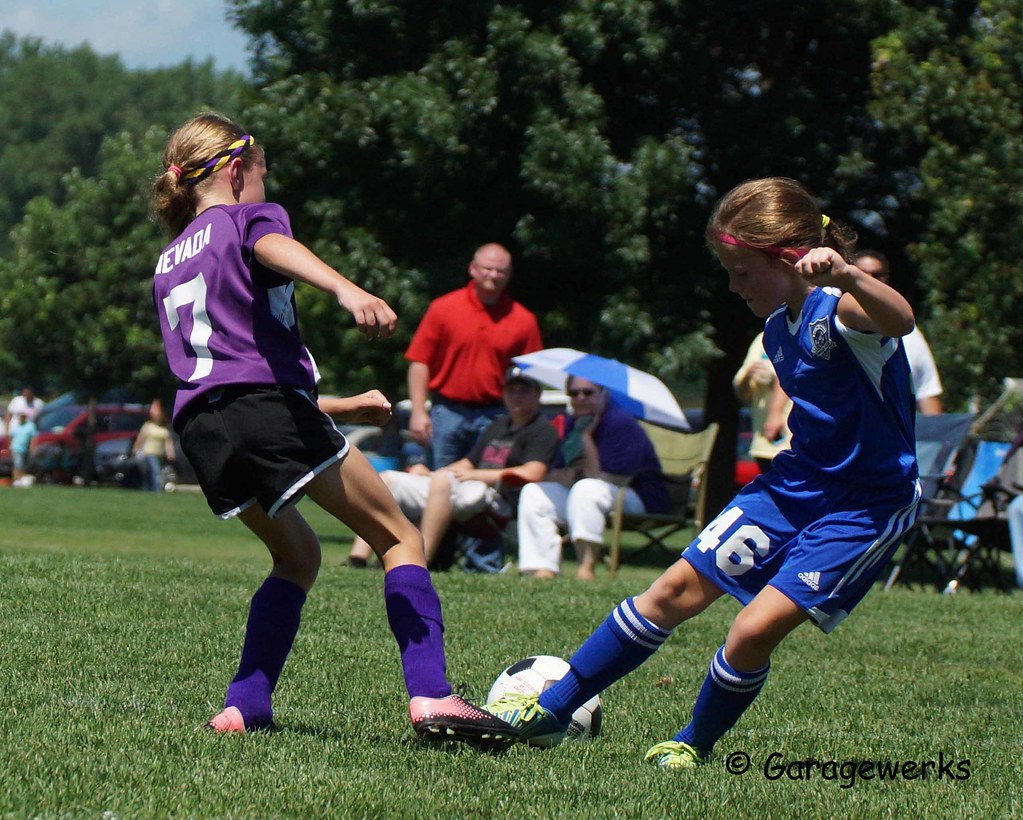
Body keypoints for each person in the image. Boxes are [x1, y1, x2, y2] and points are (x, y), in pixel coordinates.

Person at [486, 177, 921, 770]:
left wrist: (847, 275)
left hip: (865, 505)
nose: (734, 286)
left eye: (742, 273)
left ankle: (693, 742)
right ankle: (551, 707)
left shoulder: (841, 310)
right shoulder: (776, 331)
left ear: (788, 257)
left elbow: (900, 319)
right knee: (669, 591)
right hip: (793, 485)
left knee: (751, 631)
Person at [149, 112, 515, 747]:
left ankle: (245, 705)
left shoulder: (169, 259)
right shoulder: (245, 218)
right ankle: (433, 694)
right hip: (265, 410)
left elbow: (229, 373)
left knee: (298, 556)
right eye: (262, 174)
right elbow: (271, 246)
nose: (265, 187)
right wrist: (347, 290)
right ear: (236, 171)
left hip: (204, 430)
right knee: (401, 537)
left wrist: (338, 407)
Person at [348, 367, 559, 568]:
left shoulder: (542, 430)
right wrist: (431, 473)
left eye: (524, 391)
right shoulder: (498, 426)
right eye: (511, 390)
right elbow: (467, 463)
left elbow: (533, 473)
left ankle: (420, 559)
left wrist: (471, 475)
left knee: (443, 482)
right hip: (463, 488)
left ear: (538, 394)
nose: (517, 396)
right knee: (389, 480)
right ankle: (358, 558)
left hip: (499, 497)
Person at [517, 375, 668, 581]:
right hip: (588, 495)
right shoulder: (573, 424)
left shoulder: (621, 423)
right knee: (534, 492)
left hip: (636, 498)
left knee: (587, 488)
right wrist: (565, 475)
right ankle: (542, 568)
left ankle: (586, 567)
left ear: (604, 395)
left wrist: (586, 439)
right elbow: (558, 471)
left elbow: (611, 479)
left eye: (588, 393)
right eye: (574, 393)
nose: (580, 398)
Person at [405, 243, 543, 469]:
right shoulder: (443, 308)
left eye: (500, 271)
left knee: (489, 480)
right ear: (473, 269)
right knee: (440, 479)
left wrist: (524, 419)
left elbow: (532, 376)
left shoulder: (524, 320)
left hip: (497, 414)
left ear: (509, 274)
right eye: (488, 268)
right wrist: (418, 412)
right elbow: (420, 362)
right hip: (447, 413)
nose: (494, 275)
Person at [855, 250, 943, 414]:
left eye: (877, 275)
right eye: (862, 274)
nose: (869, 280)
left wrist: (935, 430)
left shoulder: (909, 335)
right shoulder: (829, 325)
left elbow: (927, 392)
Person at [732, 331, 792, 473]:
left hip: (790, 440)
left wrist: (774, 415)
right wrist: (749, 375)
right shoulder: (762, 338)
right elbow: (741, 392)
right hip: (763, 443)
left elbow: (789, 373)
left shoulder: (797, 332)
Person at [132, 401, 176, 492]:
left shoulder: (164, 429)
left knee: (154, 473)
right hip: (148, 453)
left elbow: (168, 443)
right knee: (153, 472)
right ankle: (154, 490)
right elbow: (140, 439)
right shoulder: (147, 426)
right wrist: (135, 448)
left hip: (158, 454)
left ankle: (150, 489)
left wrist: (170, 453)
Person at [10, 411, 36, 487]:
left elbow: (33, 438)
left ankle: (21, 480)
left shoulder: (30, 426)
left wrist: (31, 447)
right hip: (16, 448)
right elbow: (11, 437)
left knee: (24, 465)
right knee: (18, 464)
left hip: (25, 449)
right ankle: (16, 480)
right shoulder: (15, 426)